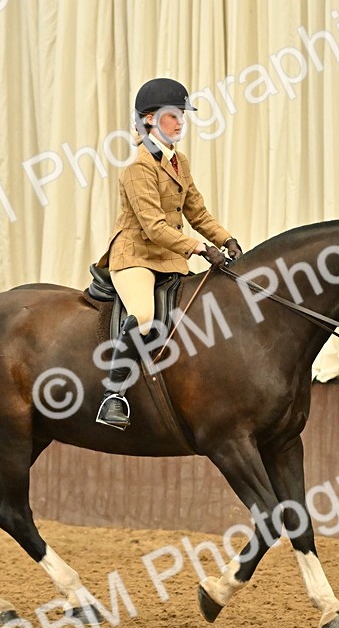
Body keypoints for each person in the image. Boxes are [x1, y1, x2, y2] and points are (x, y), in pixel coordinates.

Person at [94, 77, 243, 430]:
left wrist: (227, 239)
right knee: (144, 315)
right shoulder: (137, 167)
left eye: (182, 115)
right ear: (149, 119)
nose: (180, 122)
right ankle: (114, 395)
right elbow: (153, 227)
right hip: (136, 256)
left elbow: (197, 212)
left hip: (168, 256)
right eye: (173, 115)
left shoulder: (180, 161)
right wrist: (200, 248)